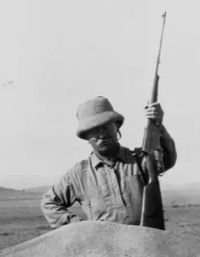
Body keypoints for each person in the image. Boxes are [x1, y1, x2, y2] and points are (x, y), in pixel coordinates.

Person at [41, 96, 177, 228]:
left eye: (106, 127)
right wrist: (81, 228)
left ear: (116, 127)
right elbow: (49, 203)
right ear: (86, 137)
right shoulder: (79, 174)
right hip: (103, 248)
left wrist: (158, 125)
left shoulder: (139, 159)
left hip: (144, 243)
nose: (101, 135)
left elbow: (168, 159)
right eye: (93, 131)